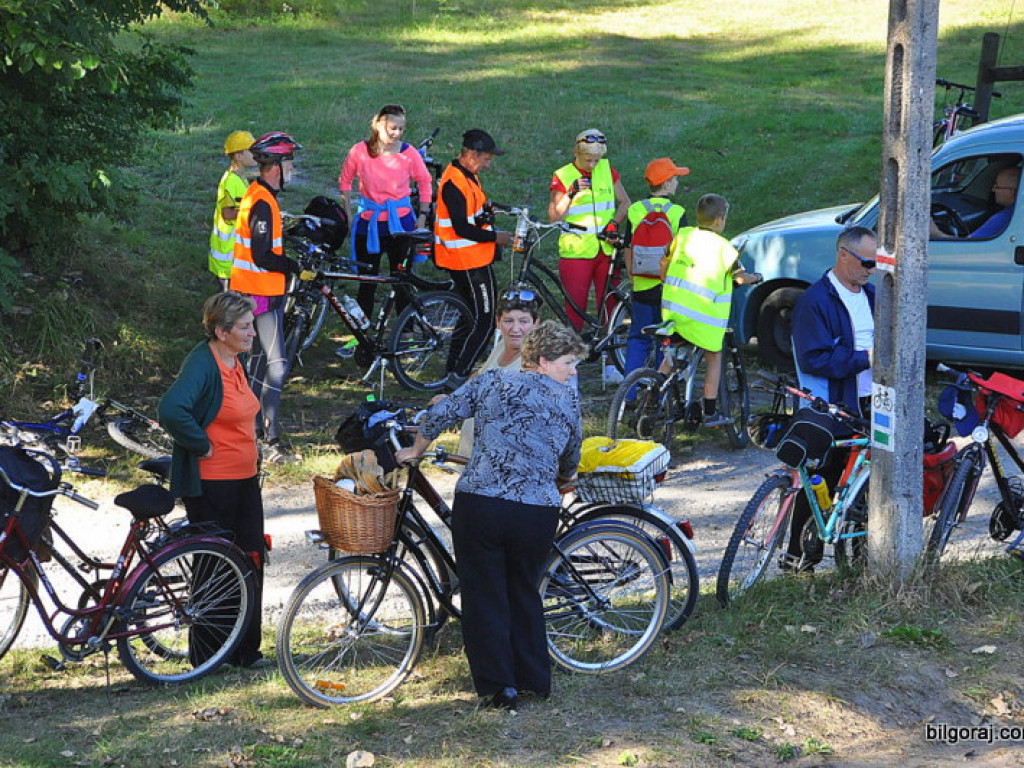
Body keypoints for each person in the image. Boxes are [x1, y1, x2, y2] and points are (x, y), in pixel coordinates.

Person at [395, 321, 586, 710]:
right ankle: (533, 679)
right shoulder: (567, 399)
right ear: (543, 360)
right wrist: (563, 479)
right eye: (568, 363)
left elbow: (440, 413)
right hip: (536, 511)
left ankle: (499, 688)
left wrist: (415, 450)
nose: (572, 372)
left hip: (482, 503)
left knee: (484, 594)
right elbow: (571, 453)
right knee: (524, 590)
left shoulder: (492, 381)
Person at [157, 291, 269, 669]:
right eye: (245, 327)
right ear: (222, 331)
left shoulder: (235, 360)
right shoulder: (203, 363)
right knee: (216, 567)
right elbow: (172, 408)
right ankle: (208, 656)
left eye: (252, 325)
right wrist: (200, 443)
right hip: (213, 484)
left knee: (251, 558)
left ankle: (245, 651)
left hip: (244, 478)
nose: (252, 333)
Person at [786, 225, 877, 570]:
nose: (871, 270)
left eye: (876, 263)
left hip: (872, 402)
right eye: (866, 262)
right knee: (820, 478)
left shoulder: (871, 296)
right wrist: (866, 359)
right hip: (835, 406)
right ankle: (798, 559)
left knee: (868, 485)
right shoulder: (816, 301)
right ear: (843, 255)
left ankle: (863, 559)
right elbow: (814, 358)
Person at [229, 131, 315, 464]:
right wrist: (295, 267)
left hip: (250, 292)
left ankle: (252, 434)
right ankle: (272, 440)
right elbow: (263, 255)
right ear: (277, 166)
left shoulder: (256, 194)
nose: (292, 168)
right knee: (277, 365)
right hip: (261, 294)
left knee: (258, 365)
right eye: (290, 162)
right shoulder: (263, 202)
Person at [660, 194, 760, 425]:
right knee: (714, 356)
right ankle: (710, 409)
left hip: (673, 311)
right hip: (702, 318)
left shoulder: (683, 236)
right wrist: (756, 277)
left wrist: (665, 280)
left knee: (673, 353)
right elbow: (740, 278)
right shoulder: (724, 249)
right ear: (719, 221)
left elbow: (664, 262)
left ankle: (652, 393)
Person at [338, 104, 434, 331]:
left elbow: (425, 182)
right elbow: (345, 181)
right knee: (367, 282)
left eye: (401, 129)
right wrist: (349, 214)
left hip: (401, 226)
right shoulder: (359, 151)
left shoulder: (409, 154)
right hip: (369, 224)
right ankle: (361, 333)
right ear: (378, 125)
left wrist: (422, 216)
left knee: (402, 281)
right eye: (393, 128)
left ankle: (406, 332)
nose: (397, 133)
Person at [548, 129, 631, 380]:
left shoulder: (606, 169)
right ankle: (569, 365)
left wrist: (614, 223)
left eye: (596, 160)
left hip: (606, 249)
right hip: (577, 252)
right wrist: (570, 193)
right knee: (575, 308)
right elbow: (554, 216)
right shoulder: (563, 175)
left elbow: (625, 203)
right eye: (588, 160)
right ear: (576, 152)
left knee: (611, 306)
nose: (593, 165)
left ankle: (612, 362)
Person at [433, 128, 512, 386]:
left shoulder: (468, 175)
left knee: (468, 317)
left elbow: (471, 213)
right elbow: (462, 228)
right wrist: (495, 237)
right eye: (486, 159)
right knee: (486, 321)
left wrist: (487, 211)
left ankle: (453, 369)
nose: (488, 164)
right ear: (472, 155)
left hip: (472, 257)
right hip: (466, 260)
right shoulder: (454, 183)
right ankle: (460, 375)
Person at [622, 157, 690, 378]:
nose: (677, 182)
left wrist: (632, 275)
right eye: (675, 178)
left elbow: (628, 246)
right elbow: (682, 252)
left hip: (642, 285)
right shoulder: (677, 212)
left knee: (638, 337)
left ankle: (630, 389)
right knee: (666, 340)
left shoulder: (635, 210)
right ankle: (660, 388)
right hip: (666, 288)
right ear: (667, 183)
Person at [455, 290, 541, 456]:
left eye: (523, 321)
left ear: (536, 323)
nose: (515, 329)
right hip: (472, 453)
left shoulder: (537, 361)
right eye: (508, 321)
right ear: (498, 322)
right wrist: (452, 399)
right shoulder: (502, 346)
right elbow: (478, 377)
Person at [209, 131, 257, 292]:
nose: (255, 154)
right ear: (238, 156)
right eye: (251, 151)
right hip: (227, 256)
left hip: (235, 253)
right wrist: (253, 211)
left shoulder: (240, 178)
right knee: (229, 301)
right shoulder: (230, 181)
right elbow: (227, 214)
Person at [931, 165, 1020, 240]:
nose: (993, 189)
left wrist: (936, 233)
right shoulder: (1017, 212)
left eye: (997, 186)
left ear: (1012, 192)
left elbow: (967, 248)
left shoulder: (1004, 218)